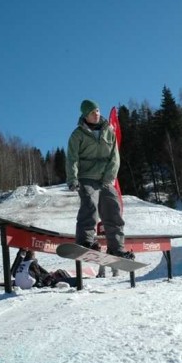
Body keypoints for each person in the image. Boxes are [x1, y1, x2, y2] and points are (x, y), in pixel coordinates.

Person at [66, 99, 134, 259]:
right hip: (86, 177)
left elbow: (114, 157)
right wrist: (72, 178)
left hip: (105, 179)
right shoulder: (77, 135)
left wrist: (109, 178)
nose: (96, 114)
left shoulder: (108, 131)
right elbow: (72, 158)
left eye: (97, 111)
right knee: (90, 205)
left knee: (113, 210)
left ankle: (116, 248)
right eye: (92, 112)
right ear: (85, 115)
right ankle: (85, 241)